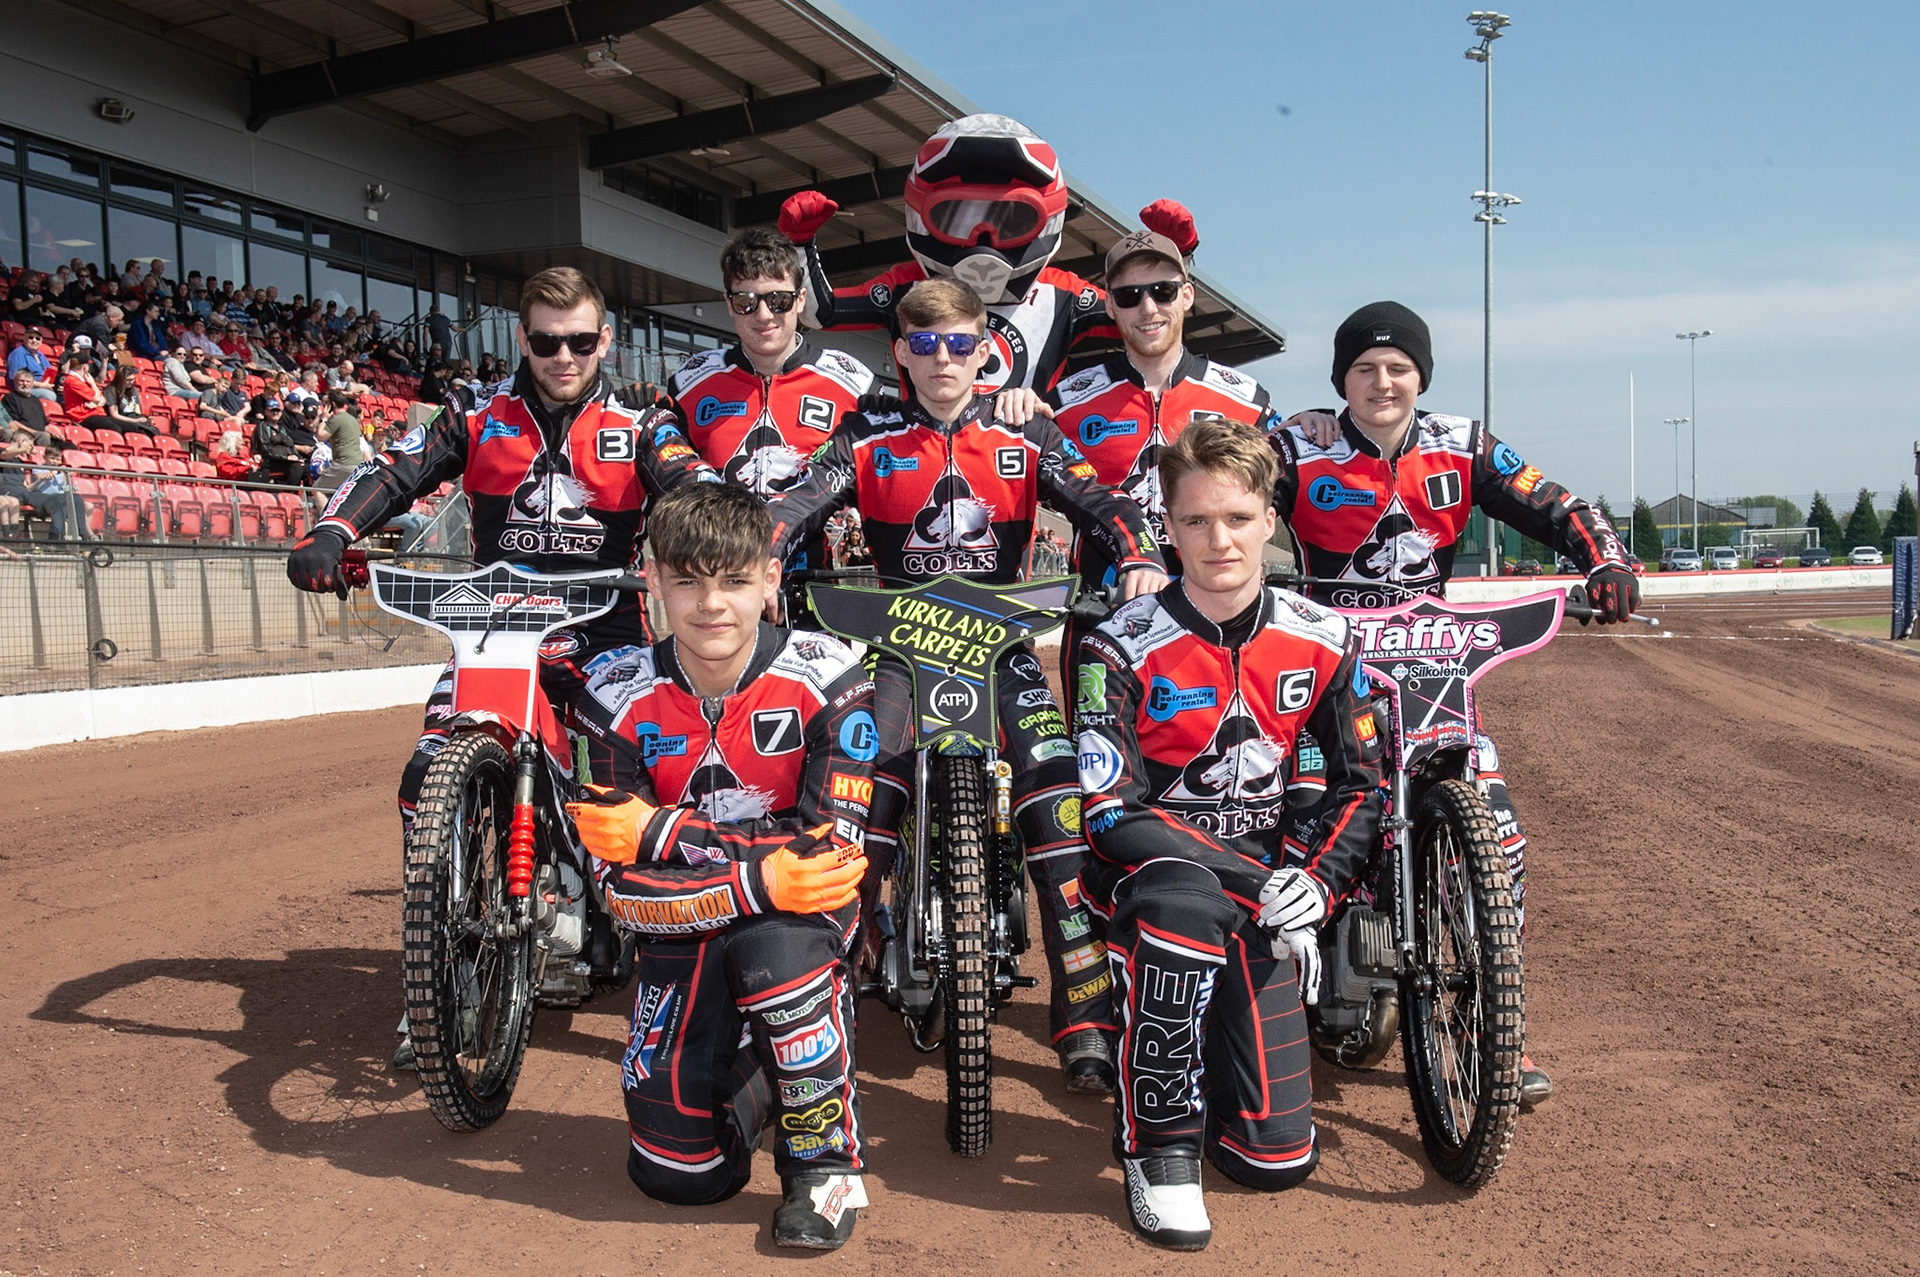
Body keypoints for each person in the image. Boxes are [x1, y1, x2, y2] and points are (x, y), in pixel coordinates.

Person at [766, 278, 1168, 1092]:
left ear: (985, 348)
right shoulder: (865, 432)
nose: (942, 359)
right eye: (924, 344)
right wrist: (766, 550)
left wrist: (1139, 553)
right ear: (901, 354)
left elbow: (1103, 498)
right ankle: (816, 998)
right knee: (860, 797)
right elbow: (797, 498)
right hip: (897, 656)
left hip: (1005, 652)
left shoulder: (1027, 428)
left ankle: (1086, 1016)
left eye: (959, 344)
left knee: (1060, 802)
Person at [1270, 301, 1641, 1106]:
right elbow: (1218, 479)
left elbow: (1554, 500)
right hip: (1328, 662)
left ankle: (1491, 1025)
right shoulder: (1302, 444)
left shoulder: (1461, 443)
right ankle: (1276, 1002)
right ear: (1341, 381)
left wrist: (1605, 560)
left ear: (1421, 377)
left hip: (1435, 664)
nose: (1381, 382)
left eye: (1398, 367)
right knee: (1296, 813)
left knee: (1499, 838)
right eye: (1363, 369)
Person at [286, 264, 719, 949]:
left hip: (604, 631)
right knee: (426, 769)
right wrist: (332, 531)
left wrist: (717, 552)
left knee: (628, 777)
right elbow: (396, 469)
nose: (564, 357)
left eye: (579, 341)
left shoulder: (642, 418)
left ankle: (611, 902)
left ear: (604, 340)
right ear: (522, 339)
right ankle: (441, 939)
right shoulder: (476, 411)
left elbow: (692, 485)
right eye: (546, 343)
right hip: (493, 629)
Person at [1074, 416, 1383, 1249]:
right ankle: (1157, 1142)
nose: (1219, 540)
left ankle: (1189, 1048)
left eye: (1238, 518)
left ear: (1271, 520)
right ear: (1167, 528)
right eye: (1196, 520)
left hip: (1269, 894)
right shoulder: (1115, 644)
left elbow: (1364, 786)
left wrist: (1314, 883)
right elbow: (1112, 816)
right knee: (1182, 912)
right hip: (1156, 884)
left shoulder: (1323, 637)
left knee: (1272, 1158)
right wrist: (1260, 884)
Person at [565, 482, 877, 1249]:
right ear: (652, 581)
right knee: (679, 1173)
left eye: (734, 580)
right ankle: (762, 1070)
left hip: (795, 921)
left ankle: (823, 1166)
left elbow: (829, 863)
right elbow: (615, 890)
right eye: (687, 580)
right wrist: (752, 875)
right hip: (685, 925)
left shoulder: (834, 676)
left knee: (779, 952)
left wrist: (661, 833)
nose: (712, 604)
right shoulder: (610, 694)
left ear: (771, 581)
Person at [779, 113, 1198, 395]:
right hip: (922, 457)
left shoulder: (1062, 295)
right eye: (958, 216)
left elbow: (1154, 322)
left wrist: (1171, 259)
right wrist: (799, 247)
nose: (984, 238)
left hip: (1019, 474)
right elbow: (822, 313)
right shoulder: (908, 285)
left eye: (1011, 218)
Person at [1039, 227, 1277, 700]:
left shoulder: (1246, 400)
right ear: (1109, 306)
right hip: (1101, 607)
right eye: (1128, 296)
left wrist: (1320, 420)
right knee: (1098, 761)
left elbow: (1288, 479)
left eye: (1162, 291)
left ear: (1187, 296)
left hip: (1215, 608)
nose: (1147, 308)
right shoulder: (1064, 401)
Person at [668, 227, 874, 567]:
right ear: (728, 304)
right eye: (746, 302)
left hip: (806, 585)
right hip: (715, 577)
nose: (763, 315)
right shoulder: (690, 381)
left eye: (778, 300)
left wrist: (993, 393)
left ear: (801, 300)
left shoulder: (852, 382)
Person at [7, 329, 60, 401]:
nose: (34, 341)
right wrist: (42, 385)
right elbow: (18, 379)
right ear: (24, 338)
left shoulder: (40, 355)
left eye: (37, 338)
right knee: (49, 395)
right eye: (31, 337)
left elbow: (49, 373)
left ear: (41, 341)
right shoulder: (18, 353)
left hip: (43, 387)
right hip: (25, 389)